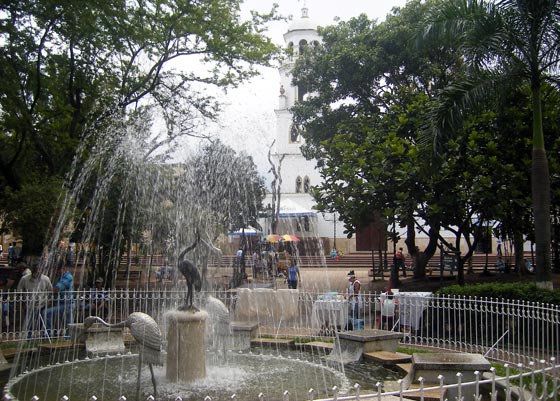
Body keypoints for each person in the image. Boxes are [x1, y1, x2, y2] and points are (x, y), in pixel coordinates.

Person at [17, 262, 53, 338]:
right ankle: (29, 337)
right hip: (29, 304)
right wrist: (23, 302)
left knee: (43, 321)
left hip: (42, 304)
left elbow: (50, 291)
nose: (37, 272)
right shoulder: (25, 279)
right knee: (30, 322)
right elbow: (19, 291)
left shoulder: (45, 279)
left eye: (39, 270)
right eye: (36, 270)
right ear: (32, 271)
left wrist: (48, 301)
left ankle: (45, 336)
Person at [44, 262, 74, 338]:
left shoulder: (67, 277)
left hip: (67, 304)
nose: (57, 272)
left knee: (47, 312)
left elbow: (57, 289)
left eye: (58, 270)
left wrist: (46, 290)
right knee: (66, 321)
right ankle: (52, 334)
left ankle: (50, 334)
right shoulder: (60, 276)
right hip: (61, 303)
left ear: (63, 269)